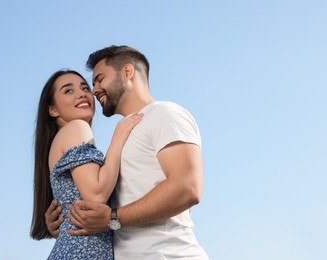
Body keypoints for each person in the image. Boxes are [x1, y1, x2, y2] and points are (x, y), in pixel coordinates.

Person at [45, 45, 208, 259]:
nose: (94, 90)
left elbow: (188, 187)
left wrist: (112, 217)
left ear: (128, 72)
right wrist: (64, 215)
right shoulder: (122, 135)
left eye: (99, 79)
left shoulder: (164, 113)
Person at [30, 69, 143, 259]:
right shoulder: (76, 127)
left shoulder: (63, 139)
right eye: (68, 91)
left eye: (84, 87)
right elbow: (96, 195)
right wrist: (118, 138)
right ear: (53, 110)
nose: (82, 93)